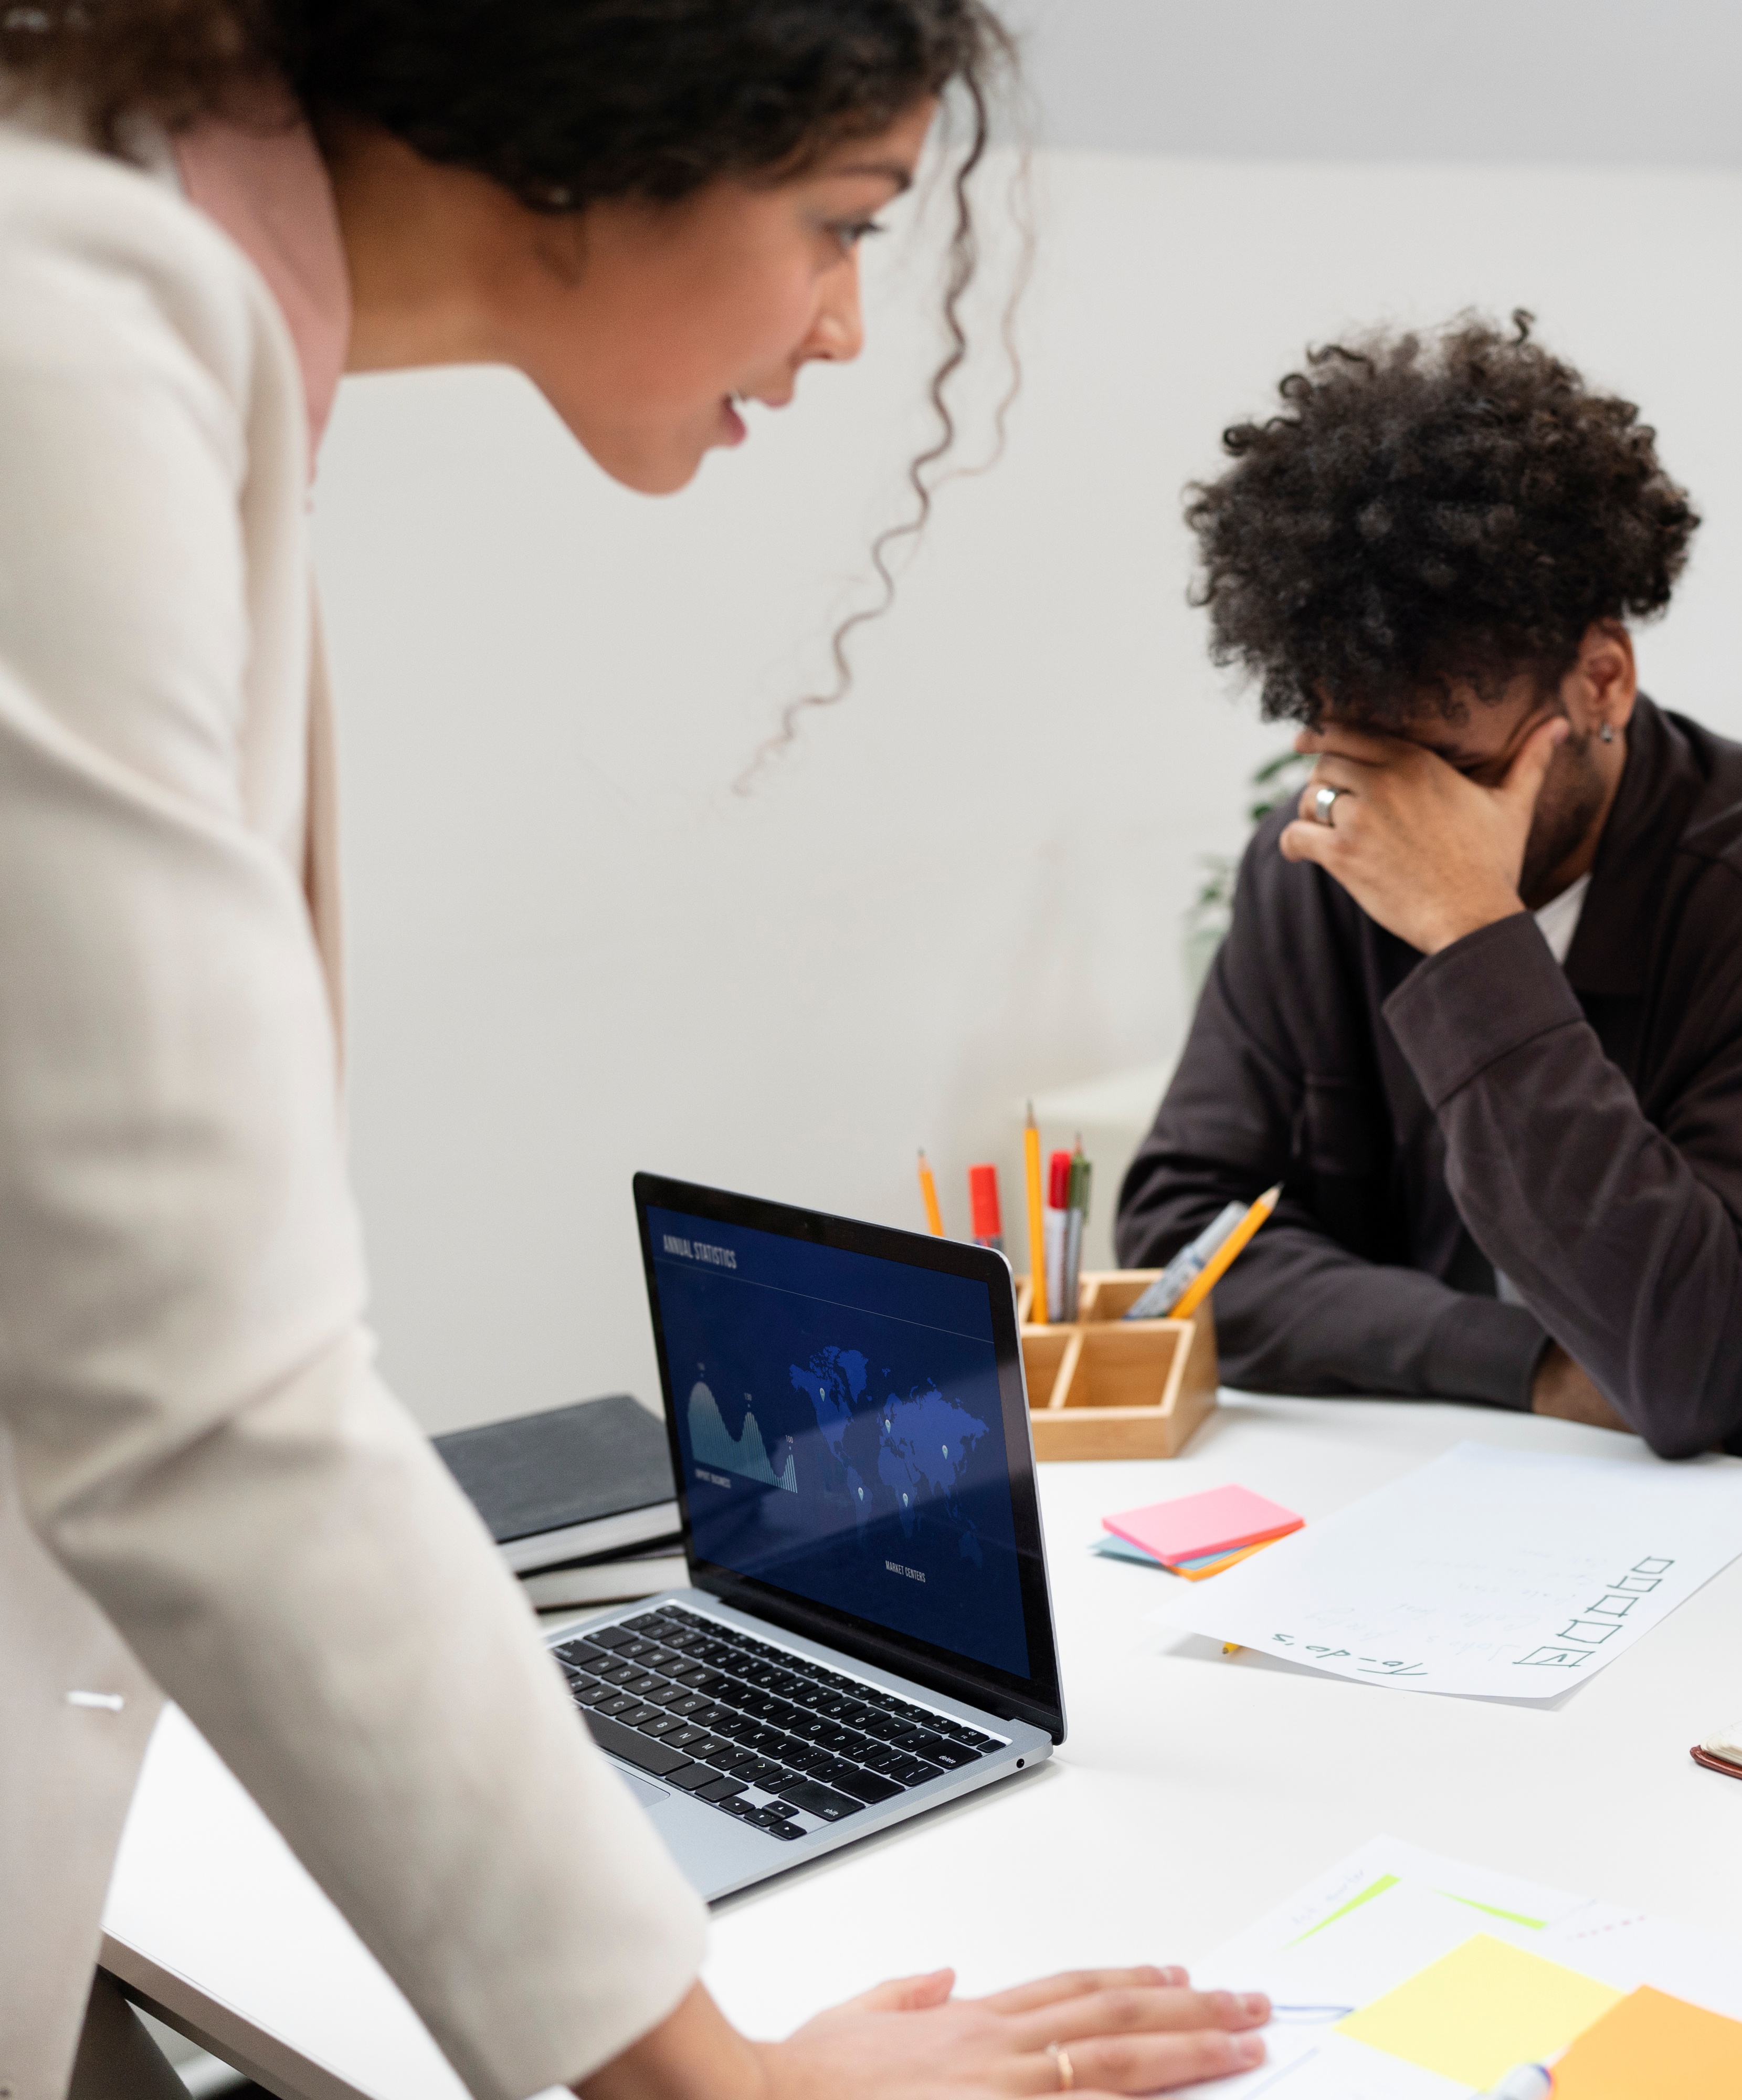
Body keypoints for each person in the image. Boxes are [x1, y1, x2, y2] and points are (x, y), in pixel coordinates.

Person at [0, 8, 1269, 2097]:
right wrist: (719, 2075)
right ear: (629, 117)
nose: (856, 327)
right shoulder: (66, 339)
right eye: (841, 221)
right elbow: (196, 1393)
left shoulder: (156, 321)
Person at [1119, 316, 1742, 1498]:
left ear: (1601, 679)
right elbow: (1177, 1246)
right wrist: (1524, 1363)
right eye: (1360, 762)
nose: (1399, 824)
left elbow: (1691, 1365)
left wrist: (1477, 943)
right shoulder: (1319, 857)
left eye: (1452, 773)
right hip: (1461, 1496)